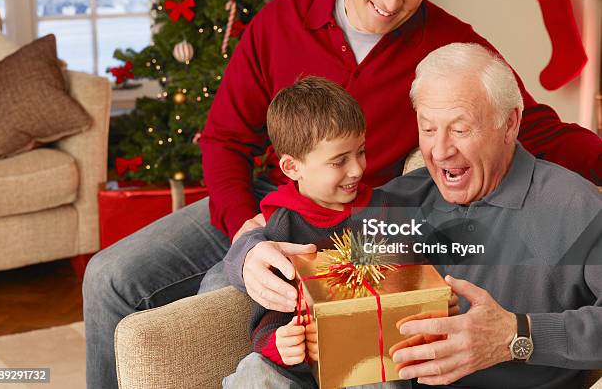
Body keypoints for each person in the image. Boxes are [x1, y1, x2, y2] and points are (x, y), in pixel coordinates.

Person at [82, 0, 602, 387]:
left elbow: (533, 126)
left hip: (352, 216)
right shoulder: (280, 21)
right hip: (263, 199)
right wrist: (246, 232)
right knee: (109, 278)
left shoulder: (447, 42)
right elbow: (223, 140)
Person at [227, 43, 602, 388]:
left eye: (459, 129)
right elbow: (289, 226)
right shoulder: (402, 200)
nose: (439, 151)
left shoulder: (572, 206)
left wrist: (517, 335)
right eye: (427, 129)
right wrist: (246, 256)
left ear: (510, 123)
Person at [224, 76, 411, 388]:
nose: (357, 169)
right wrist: (279, 343)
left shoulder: (386, 213)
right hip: (301, 369)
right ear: (292, 168)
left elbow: (413, 283)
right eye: (339, 161)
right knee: (253, 371)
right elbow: (268, 317)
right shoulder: (281, 228)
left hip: (367, 360)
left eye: (360, 152)